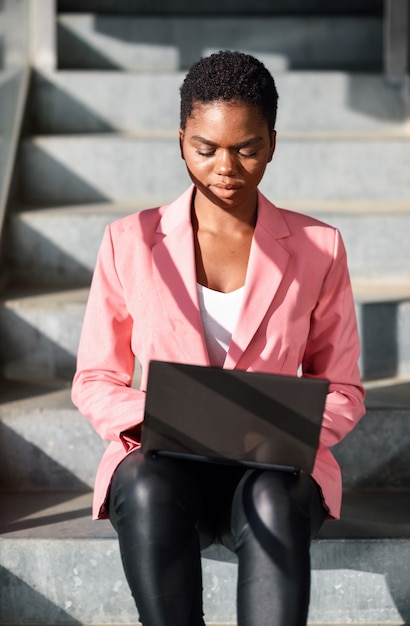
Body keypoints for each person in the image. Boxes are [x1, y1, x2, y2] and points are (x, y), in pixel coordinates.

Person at [72, 50, 365, 626]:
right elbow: (94, 379)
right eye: (205, 149)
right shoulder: (129, 241)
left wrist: (272, 427)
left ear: (273, 143)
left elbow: (345, 390)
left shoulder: (319, 247)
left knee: (271, 498)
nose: (225, 167)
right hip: (165, 462)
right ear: (181, 140)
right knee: (146, 482)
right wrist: (174, 417)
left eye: (246, 148)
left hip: (273, 469)